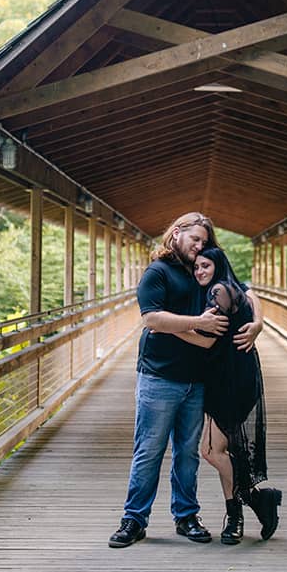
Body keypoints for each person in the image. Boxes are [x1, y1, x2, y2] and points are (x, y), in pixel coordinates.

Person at [108, 212, 228, 548]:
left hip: (197, 379)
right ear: (176, 233)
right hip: (159, 376)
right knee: (149, 449)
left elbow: (242, 294)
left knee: (187, 453)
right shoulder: (157, 272)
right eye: (195, 239)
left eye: (205, 242)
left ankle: (186, 516)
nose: (200, 246)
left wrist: (257, 324)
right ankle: (134, 519)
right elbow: (152, 318)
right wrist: (197, 324)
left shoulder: (205, 273)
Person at [182, 247, 281, 544]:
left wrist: (166, 329)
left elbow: (207, 341)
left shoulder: (219, 291)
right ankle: (235, 515)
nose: (200, 271)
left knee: (211, 451)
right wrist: (259, 322)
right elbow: (251, 294)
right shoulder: (233, 287)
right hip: (233, 378)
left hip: (230, 381)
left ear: (218, 266)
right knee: (226, 450)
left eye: (205, 266)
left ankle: (254, 498)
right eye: (196, 267)